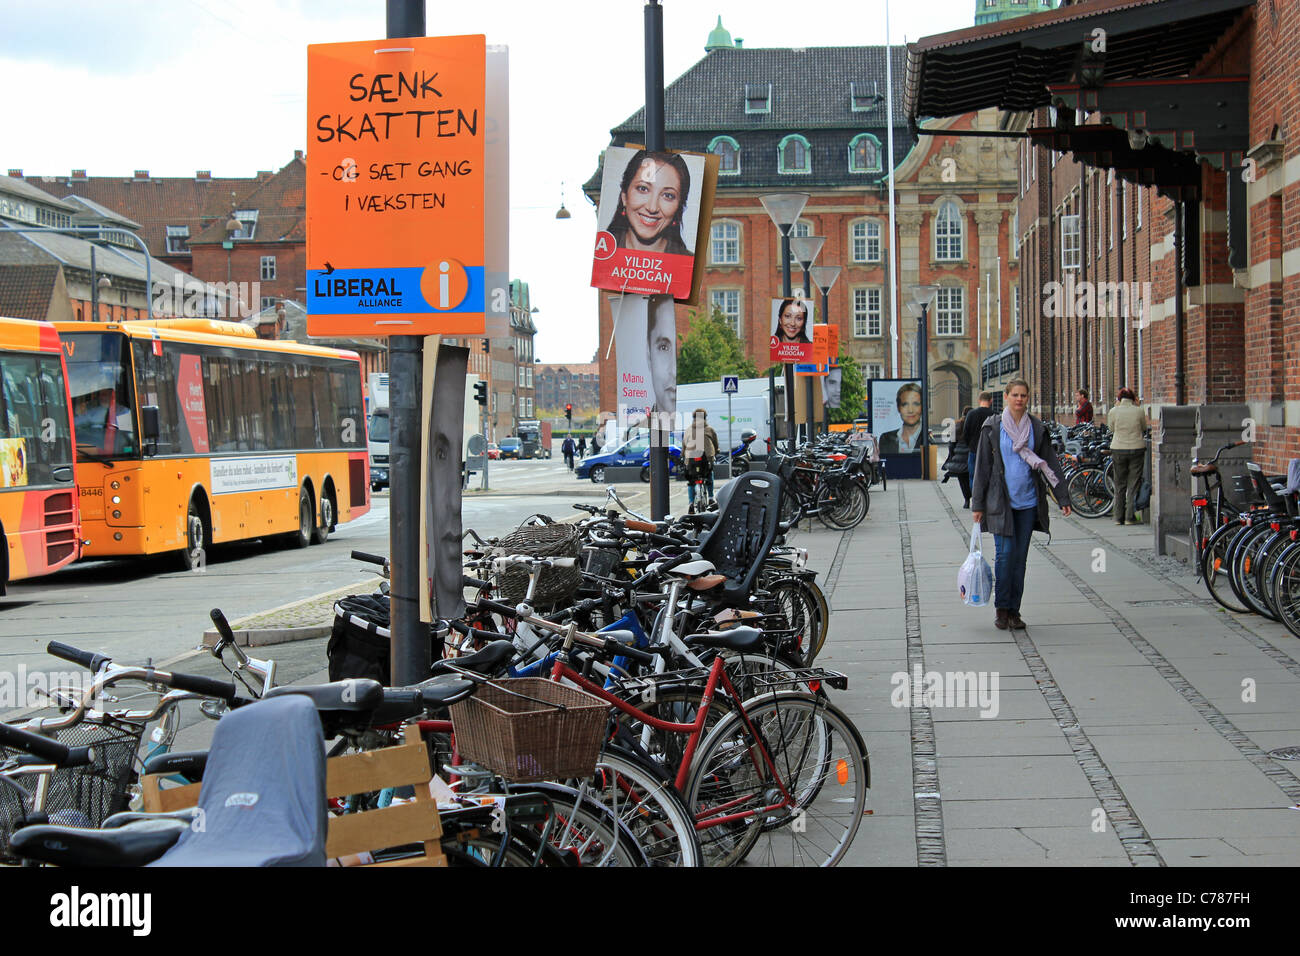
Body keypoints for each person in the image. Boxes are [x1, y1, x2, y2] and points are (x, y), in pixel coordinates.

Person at [971, 379, 1072, 631]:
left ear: (1027, 398)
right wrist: (977, 504)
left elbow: (1050, 465)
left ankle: (1015, 610)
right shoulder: (992, 427)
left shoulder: (1036, 428)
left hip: (1027, 503)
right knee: (1004, 557)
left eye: (1023, 395)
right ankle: (1001, 609)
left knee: (1019, 559)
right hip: (1000, 502)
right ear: (1005, 397)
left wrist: (1063, 498)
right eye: (1014, 394)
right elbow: (982, 467)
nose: (1019, 399)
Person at [604, 150, 693, 255]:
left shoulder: (690, 266)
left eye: (668, 195)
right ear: (624, 196)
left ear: (679, 207)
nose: (652, 208)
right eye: (643, 189)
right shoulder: (597, 255)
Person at [1108, 387, 1147, 525]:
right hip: (1137, 448)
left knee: (1119, 484)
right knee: (1133, 483)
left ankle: (1118, 517)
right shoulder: (1139, 411)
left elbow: (1111, 428)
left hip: (1118, 448)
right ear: (1133, 398)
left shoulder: (1113, 411)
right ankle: (1130, 517)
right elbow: (1143, 427)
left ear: (1119, 399)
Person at [646, 296, 677, 416]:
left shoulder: (697, 432)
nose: (674, 371)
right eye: (663, 347)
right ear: (649, 354)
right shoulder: (636, 433)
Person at [683, 408, 719, 512]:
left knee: (691, 481)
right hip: (706, 458)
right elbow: (715, 443)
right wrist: (716, 451)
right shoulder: (710, 429)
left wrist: (683, 455)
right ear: (705, 418)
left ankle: (690, 503)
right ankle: (711, 497)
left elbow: (684, 444)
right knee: (709, 474)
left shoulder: (688, 430)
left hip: (691, 459)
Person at [878, 382, 925, 456]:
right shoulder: (886, 439)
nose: (910, 410)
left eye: (916, 404)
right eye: (905, 404)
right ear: (898, 408)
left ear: (922, 407)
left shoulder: (927, 439)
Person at [941, 405, 973, 508]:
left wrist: (952, 456)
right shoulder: (974, 425)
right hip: (970, 455)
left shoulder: (957, 426)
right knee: (972, 477)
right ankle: (974, 498)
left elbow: (951, 444)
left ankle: (966, 500)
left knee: (962, 480)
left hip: (959, 457)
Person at [962, 392, 995, 479]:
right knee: (989, 477)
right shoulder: (994, 415)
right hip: (990, 451)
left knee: (973, 476)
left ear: (979, 400)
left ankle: (974, 492)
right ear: (991, 401)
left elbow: (965, 432)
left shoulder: (971, 414)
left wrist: (970, 445)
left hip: (974, 449)